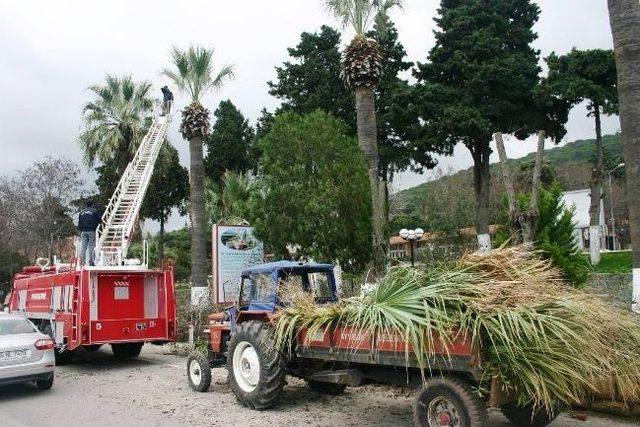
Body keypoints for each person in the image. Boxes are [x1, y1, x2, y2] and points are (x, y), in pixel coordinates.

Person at [78, 200, 101, 266]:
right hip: (91, 230)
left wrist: (81, 229)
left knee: (83, 246)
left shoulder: (81, 212)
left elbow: (79, 222)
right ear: (92, 204)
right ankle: (91, 261)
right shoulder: (94, 211)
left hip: (83, 231)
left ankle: (82, 261)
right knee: (91, 246)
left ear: (86, 205)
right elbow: (99, 220)